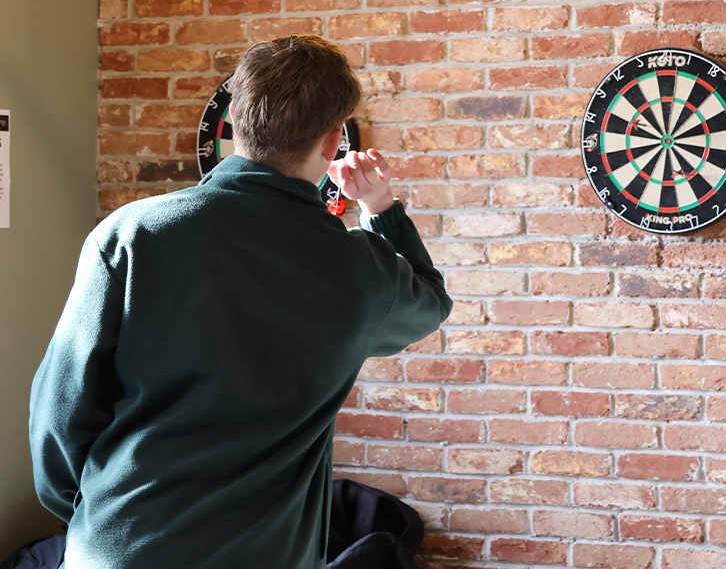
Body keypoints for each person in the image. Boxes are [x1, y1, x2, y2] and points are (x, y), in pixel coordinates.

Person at [29, 34, 452, 569]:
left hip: (118, 546)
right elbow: (430, 300)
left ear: (236, 118)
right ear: (332, 141)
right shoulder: (359, 268)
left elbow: (61, 411)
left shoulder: (133, 233)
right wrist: (380, 206)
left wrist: (96, 517)